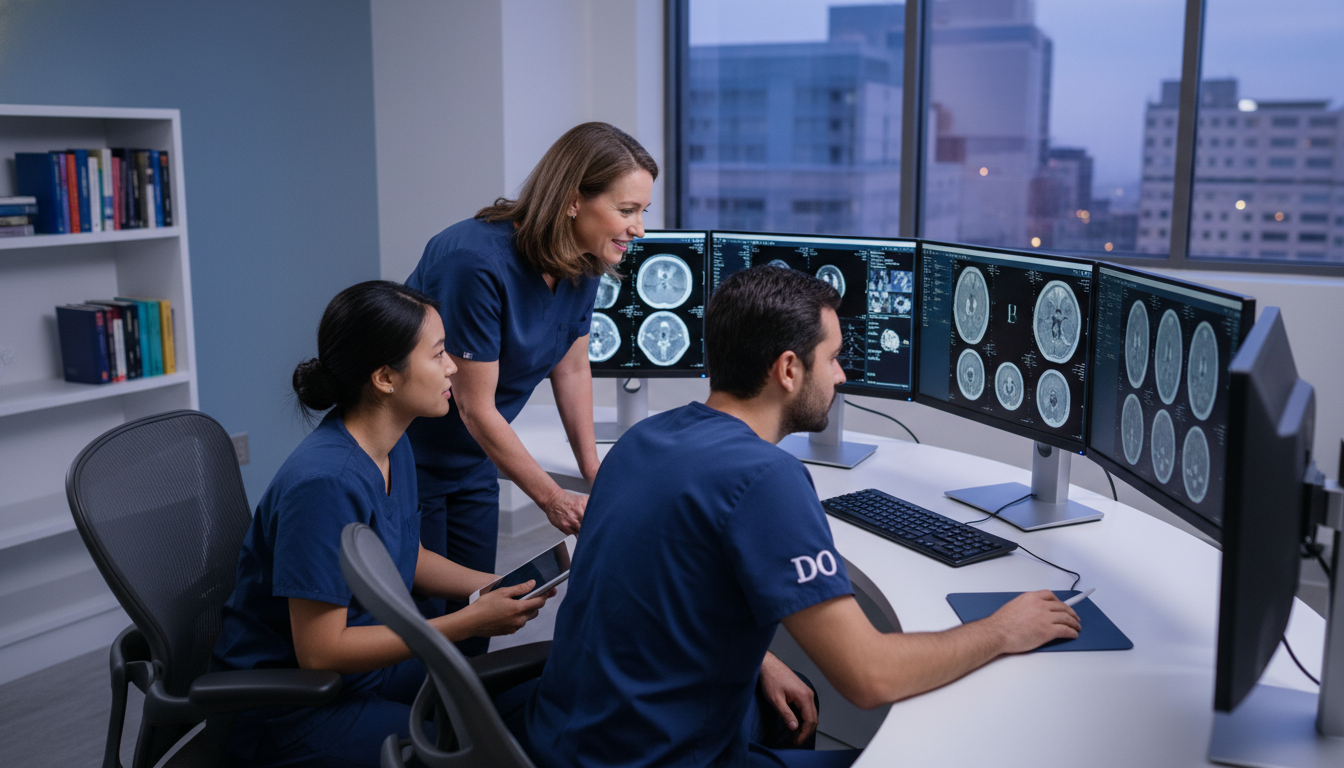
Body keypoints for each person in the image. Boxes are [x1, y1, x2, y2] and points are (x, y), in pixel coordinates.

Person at [496, 266, 1082, 767]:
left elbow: (653, 597)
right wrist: (1001, 630)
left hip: (561, 739)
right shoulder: (764, 479)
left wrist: (760, 659)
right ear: (788, 370)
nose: (842, 376)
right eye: (833, 359)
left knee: (782, 712)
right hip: (655, 758)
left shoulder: (648, 440)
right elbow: (868, 677)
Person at [213, 281, 554, 768]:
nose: (453, 366)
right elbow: (321, 652)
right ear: (385, 378)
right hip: (296, 707)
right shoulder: (326, 484)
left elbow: (403, 555)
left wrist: (498, 586)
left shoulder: (394, 446)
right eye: (438, 354)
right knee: (474, 753)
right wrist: (467, 622)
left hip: (366, 674)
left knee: (521, 704)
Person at [405, 122, 657, 647]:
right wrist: (552, 498)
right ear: (572, 201)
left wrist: (594, 472)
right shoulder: (473, 262)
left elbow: (572, 368)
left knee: (479, 612)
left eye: (643, 212)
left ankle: (462, 726)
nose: (639, 228)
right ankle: (410, 728)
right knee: (425, 621)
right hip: (410, 460)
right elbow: (474, 408)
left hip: (473, 461)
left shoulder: (582, 261)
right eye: (627, 210)